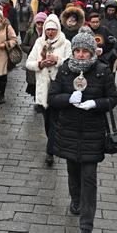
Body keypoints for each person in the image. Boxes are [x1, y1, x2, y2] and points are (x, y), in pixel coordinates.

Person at [48, 28, 117, 233]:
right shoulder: (65, 70)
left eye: (84, 51)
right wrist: (68, 98)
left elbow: (113, 99)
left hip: (92, 133)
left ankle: (86, 226)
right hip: (68, 130)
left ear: (91, 52)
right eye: (77, 50)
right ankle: (75, 199)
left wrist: (95, 104)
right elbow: (52, 98)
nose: (80, 54)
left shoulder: (102, 71)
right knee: (73, 172)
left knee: (89, 178)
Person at [26, 14, 72, 166]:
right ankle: (52, 142)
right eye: (48, 30)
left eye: (53, 29)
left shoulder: (65, 43)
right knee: (47, 121)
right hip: (44, 87)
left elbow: (71, 63)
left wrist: (57, 60)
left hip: (58, 87)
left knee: (55, 120)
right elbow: (29, 63)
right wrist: (40, 64)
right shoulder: (39, 42)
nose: (50, 33)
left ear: (58, 29)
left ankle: (50, 152)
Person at [22, 12, 48, 96]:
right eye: (38, 23)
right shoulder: (30, 32)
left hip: (44, 60)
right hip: (33, 60)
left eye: (42, 24)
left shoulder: (48, 33)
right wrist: (32, 50)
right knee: (34, 82)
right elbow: (23, 45)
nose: (40, 26)